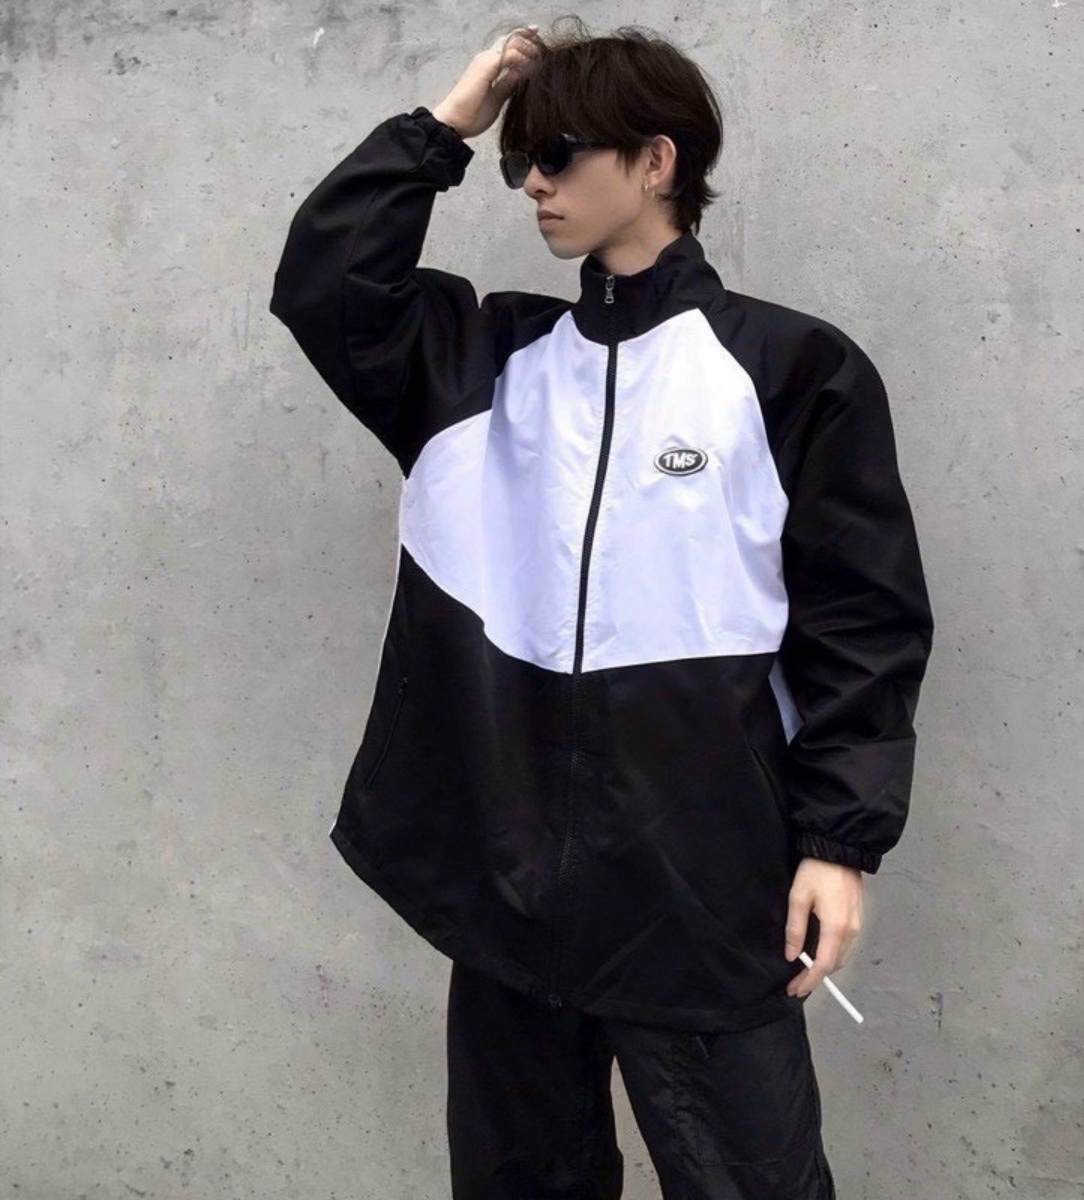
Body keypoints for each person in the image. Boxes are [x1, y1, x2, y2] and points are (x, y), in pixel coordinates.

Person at [268, 18, 934, 1199]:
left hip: (699, 893)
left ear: (656, 162)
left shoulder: (790, 369)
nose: (532, 180)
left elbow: (863, 626)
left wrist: (840, 843)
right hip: (508, 893)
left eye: (557, 152)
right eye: (519, 155)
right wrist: (449, 123)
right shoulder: (482, 363)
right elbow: (326, 284)